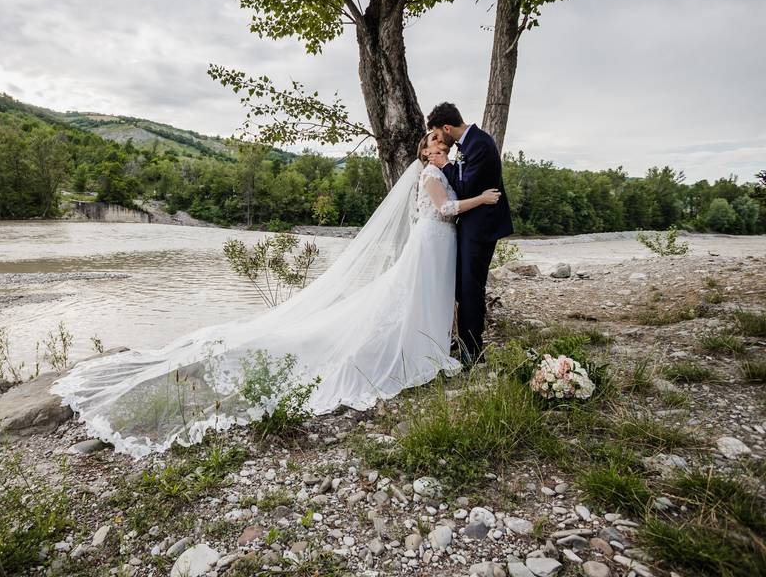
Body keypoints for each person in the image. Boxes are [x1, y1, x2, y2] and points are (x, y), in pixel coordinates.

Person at [52, 135, 500, 458]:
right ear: (424, 152)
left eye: (444, 148)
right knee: (407, 299)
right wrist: (481, 199)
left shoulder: (442, 171)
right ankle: (416, 348)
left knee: (424, 298)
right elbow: (444, 209)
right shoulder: (430, 176)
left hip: (440, 245)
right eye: (434, 148)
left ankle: (429, 342)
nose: (440, 152)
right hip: (432, 242)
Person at [426, 102, 514, 369]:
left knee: (470, 289)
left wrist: (444, 164)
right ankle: (464, 342)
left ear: (447, 127)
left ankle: (472, 352)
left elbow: (465, 188)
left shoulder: (480, 144)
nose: (440, 141)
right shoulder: (469, 144)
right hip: (470, 226)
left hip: (481, 228)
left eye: (439, 135)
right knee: (463, 289)